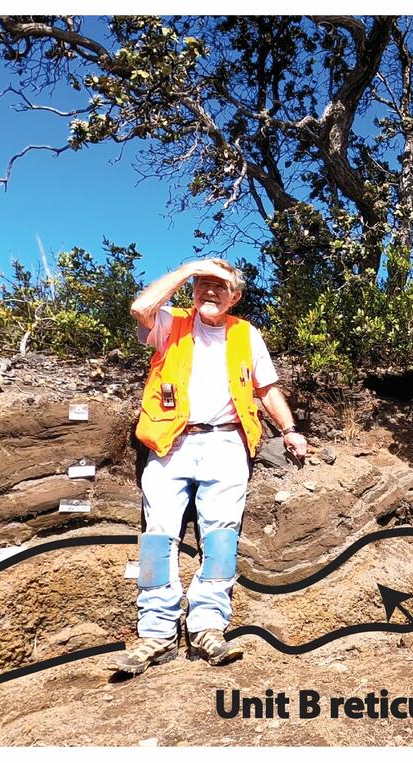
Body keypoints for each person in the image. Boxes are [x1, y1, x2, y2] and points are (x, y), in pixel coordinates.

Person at [112, 259, 308, 674]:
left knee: (220, 538)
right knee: (156, 538)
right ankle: (157, 633)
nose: (209, 292)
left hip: (226, 443)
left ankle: (207, 627)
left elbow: (266, 388)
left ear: (235, 296)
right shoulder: (172, 323)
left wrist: (289, 429)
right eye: (203, 284)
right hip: (171, 443)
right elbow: (139, 310)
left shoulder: (246, 333)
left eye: (220, 286)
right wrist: (188, 269)